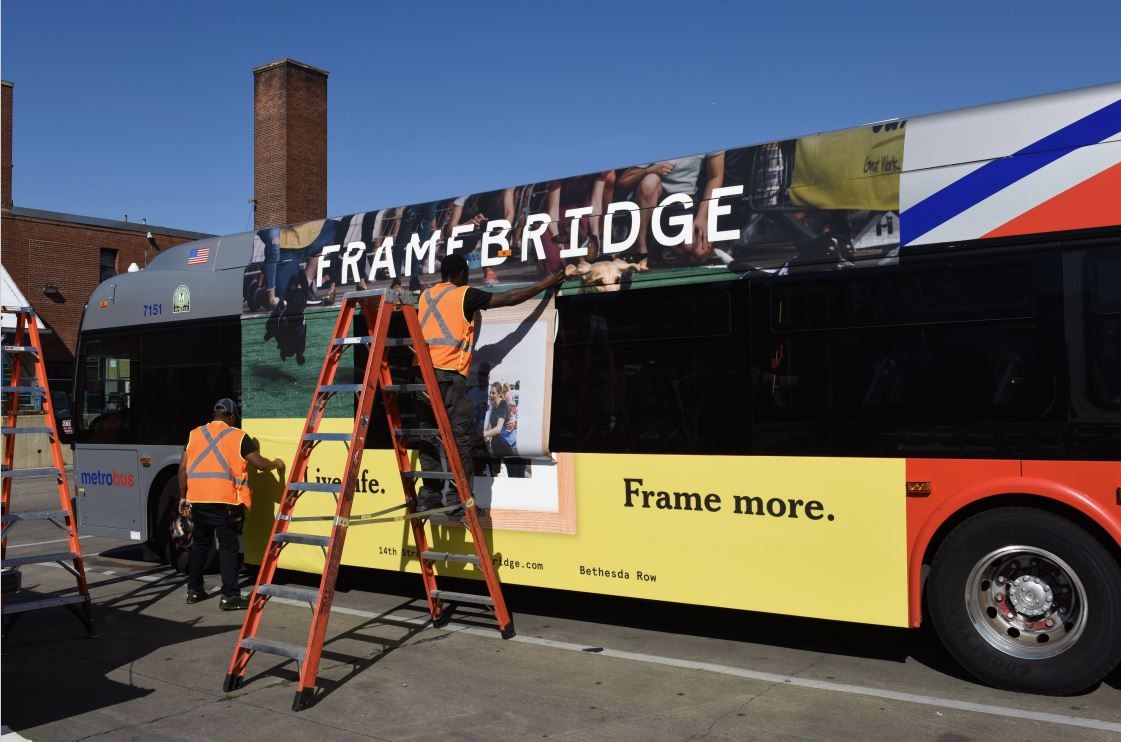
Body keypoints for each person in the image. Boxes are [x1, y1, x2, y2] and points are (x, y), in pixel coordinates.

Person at [414, 253, 563, 515]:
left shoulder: (425, 296)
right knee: (459, 438)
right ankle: (459, 501)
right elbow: (509, 299)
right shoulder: (464, 295)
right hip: (448, 376)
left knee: (428, 436)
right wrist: (544, 284)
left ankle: (429, 495)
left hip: (421, 377)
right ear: (461, 273)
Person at [178, 398, 285, 610]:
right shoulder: (238, 436)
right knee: (227, 547)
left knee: (200, 545)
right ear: (232, 416)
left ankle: (194, 590)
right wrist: (277, 464)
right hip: (225, 501)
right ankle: (229, 596)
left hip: (198, 500)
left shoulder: (194, 434)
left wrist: (183, 496)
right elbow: (260, 464)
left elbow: (182, 469)